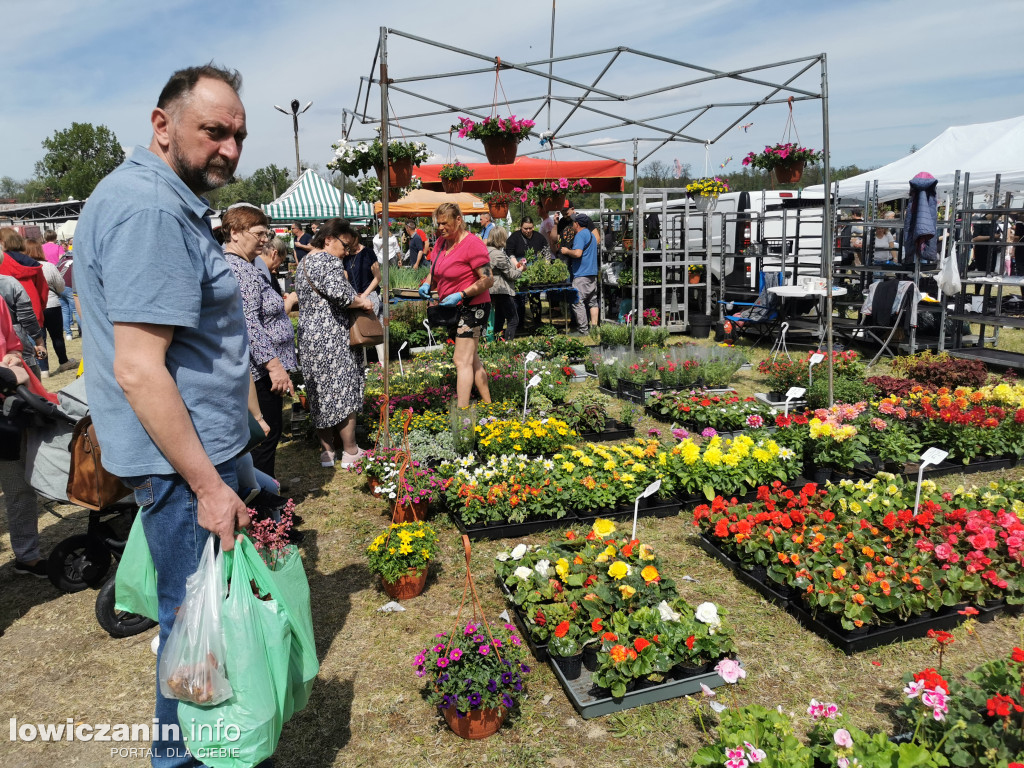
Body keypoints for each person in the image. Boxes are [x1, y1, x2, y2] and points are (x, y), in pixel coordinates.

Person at [75, 63, 253, 768]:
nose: (231, 151)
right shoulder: (149, 210)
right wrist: (211, 485)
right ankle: (184, 760)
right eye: (214, 132)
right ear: (162, 125)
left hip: (189, 462)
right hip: (184, 471)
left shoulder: (155, 200)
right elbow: (139, 368)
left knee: (200, 627)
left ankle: (206, 749)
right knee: (192, 631)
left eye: (239, 135)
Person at [222, 204, 297, 478]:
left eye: (266, 234)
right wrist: (274, 366)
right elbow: (249, 323)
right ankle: (265, 511)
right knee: (264, 436)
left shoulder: (243, 265)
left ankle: (265, 498)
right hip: (259, 373)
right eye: (260, 233)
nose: (265, 239)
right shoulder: (240, 270)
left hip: (259, 370)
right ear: (236, 233)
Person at [295, 218, 374, 468]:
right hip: (333, 336)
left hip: (309, 336)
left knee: (318, 391)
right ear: (328, 239)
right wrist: (363, 302)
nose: (346, 252)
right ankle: (351, 452)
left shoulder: (304, 263)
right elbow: (342, 296)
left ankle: (327, 453)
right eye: (345, 245)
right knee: (343, 390)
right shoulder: (328, 261)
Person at [419, 202, 494, 407]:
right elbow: (436, 272)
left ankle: (462, 412)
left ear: (458, 220)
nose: (440, 227)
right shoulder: (442, 244)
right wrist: (427, 284)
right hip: (453, 308)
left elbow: (487, 279)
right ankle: (490, 404)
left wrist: (461, 293)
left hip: (473, 306)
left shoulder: (473, 244)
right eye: (438, 223)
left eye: (445, 223)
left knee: (460, 360)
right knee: (472, 360)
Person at [0, 300, 55, 578]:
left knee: (18, 486)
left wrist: (12, 357)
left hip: (6, 413)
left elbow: (12, 344)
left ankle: (27, 555)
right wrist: (9, 374)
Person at [25, 239, 76, 378]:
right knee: (57, 336)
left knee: (38, 339)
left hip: (32, 308)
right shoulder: (48, 266)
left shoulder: (23, 268)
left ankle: (43, 369)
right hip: (52, 304)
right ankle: (63, 361)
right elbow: (61, 286)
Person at [561, 213, 600, 335]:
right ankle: (594, 327)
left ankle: (583, 330)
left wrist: (567, 250)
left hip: (581, 274)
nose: (572, 224)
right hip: (592, 273)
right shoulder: (592, 235)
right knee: (592, 301)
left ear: (577, 224)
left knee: (578, 302)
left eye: (573, 222)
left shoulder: (580, 235)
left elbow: (578, 253)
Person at [486, 226, 522, 341]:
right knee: (513, 320)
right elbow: (510, 275)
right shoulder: (498, 254)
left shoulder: (486, 250)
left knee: (499, 319)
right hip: (502, 289)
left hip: (492, 289)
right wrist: (520, 270)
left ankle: (498, 343)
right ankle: (508, 345)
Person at [57, 246, 78, 340]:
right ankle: (83, 332)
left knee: (64, 311)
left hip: (60, 288)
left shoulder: (61, 263)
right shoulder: (75, 263)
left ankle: (68, 334)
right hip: (70, 287)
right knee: (76, 310)